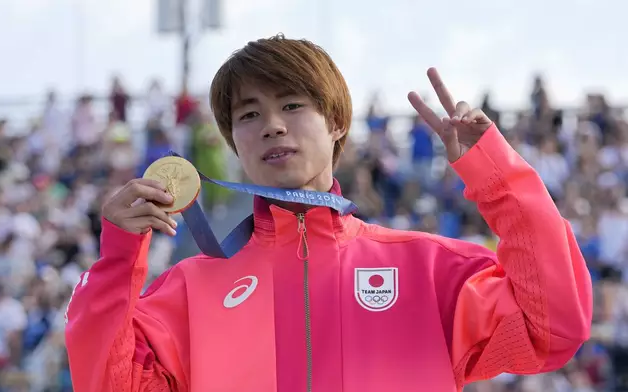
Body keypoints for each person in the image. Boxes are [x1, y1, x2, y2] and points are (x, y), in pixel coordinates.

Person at [64, 35, 593, 391]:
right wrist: (117, 260)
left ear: (336, 122)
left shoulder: (429, 271)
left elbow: (554, 328)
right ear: (236, 142)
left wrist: (494, 172)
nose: (271, 125)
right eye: (249, 114)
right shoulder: (187, 291)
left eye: (292, 105)